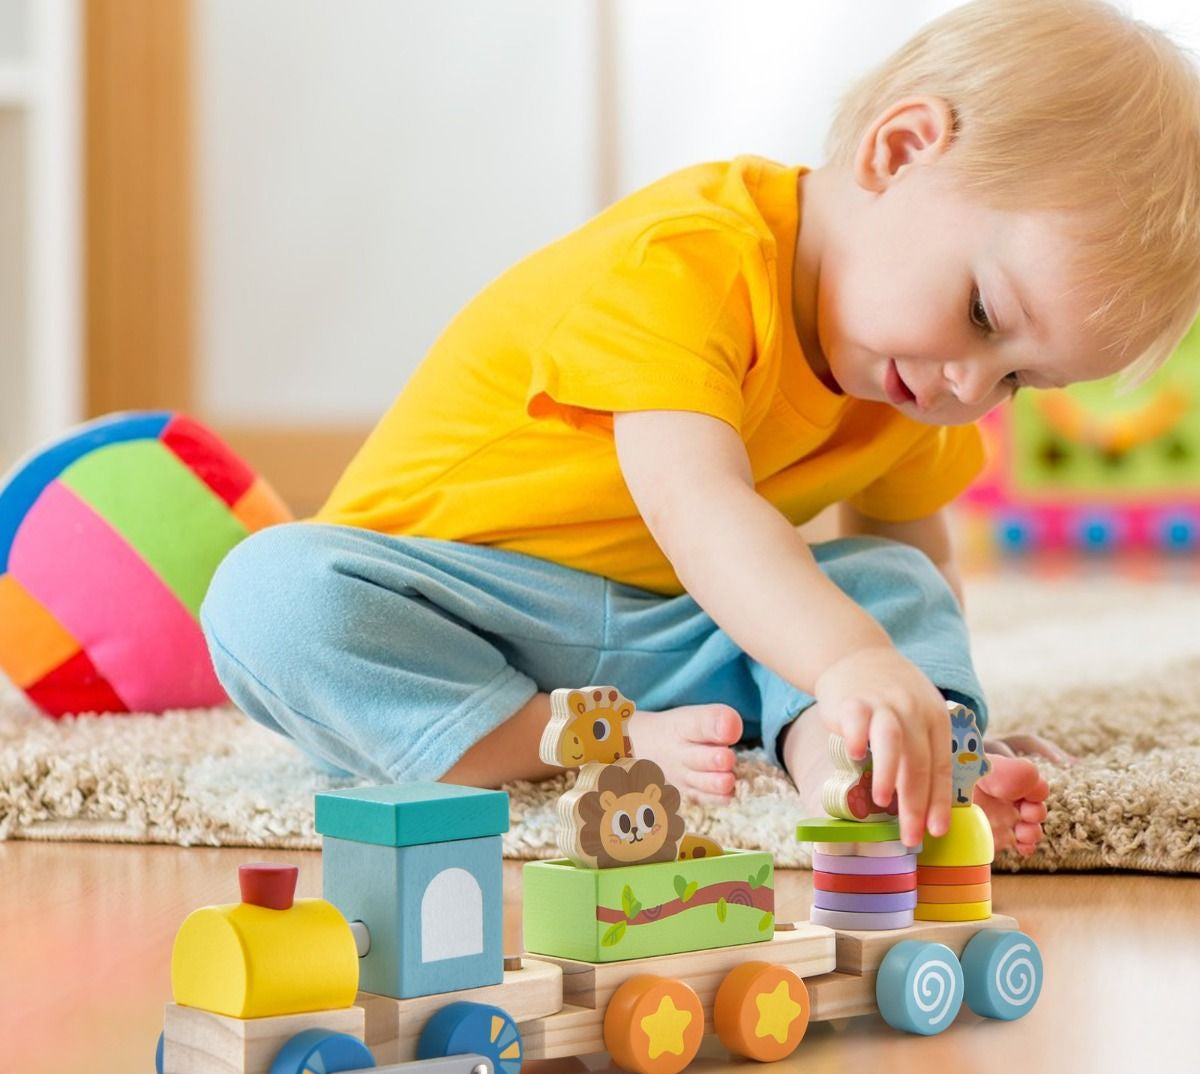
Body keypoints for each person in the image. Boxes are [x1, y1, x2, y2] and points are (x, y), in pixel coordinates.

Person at [201, 0, 1200, 856]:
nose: (967, 386)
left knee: (890, 586)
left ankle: (866, 771)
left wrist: (923, 700)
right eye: (983, 314)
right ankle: (551, 738)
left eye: (1019, 379)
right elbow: (698, 505)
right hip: (458, 607)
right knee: (271, 597)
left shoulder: (916, 385)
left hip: (678, 636)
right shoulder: (688, 260)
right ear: (899, 151)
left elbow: (910, 564)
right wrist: (849, 657)